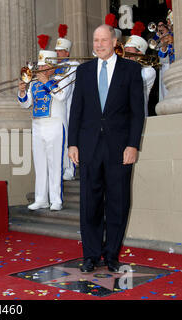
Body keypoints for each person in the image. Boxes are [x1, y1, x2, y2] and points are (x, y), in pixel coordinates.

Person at [68, 24, 144, 273]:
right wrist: (72, 143)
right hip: (88, 148)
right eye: (95, 40)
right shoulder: (84, 71)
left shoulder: (132, 70)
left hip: (119, 149)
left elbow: (137, 113)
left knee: (118, 202)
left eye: (103, 40)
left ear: (114, 42)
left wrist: (133, 144)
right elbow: (76, 110)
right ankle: (90, 255)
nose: (98, 44)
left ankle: (111, 253)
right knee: (90, 203)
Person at [18, 46, 72, 212]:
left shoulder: (63, 78)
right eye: (39, 66)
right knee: (40, 164)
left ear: (52, 67)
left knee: (55, 164)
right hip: (37, 125)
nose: (39, 69)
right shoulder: (33, 83)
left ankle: (56, 199)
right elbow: (26, 104)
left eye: (43, 67)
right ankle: (41, 198)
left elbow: (62, 96)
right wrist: (21, 92)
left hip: (55, 124)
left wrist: (45, 82)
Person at [55, 24, 79, 181]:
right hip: (57, 107)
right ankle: (62, 167)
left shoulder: (73, 65)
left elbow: (67, 87)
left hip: (70, 104)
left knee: (70, 138)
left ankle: (70, 167)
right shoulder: (54, 67)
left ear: (67, 52)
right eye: (56, 51)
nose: (57, 54)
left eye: (60, 51)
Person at [124, 23, 156, 117]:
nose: (125, 55)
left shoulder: (149, 71)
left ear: (139, 53)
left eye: (128, 51)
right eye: (124, 51)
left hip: (137, 120)